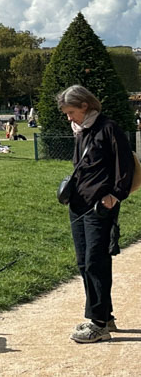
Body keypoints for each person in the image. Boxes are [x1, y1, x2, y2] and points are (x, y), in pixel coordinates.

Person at [58, 85, 134, 343]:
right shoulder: (81, 130)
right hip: (78, 205)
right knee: (83, 262)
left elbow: (125, 166)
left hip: (100, 206)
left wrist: (114, 196)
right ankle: (103, 315)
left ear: (85, 106)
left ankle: (98, 322)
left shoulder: (108, 128)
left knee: (96, 261)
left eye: (71, 112)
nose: (69, 118)